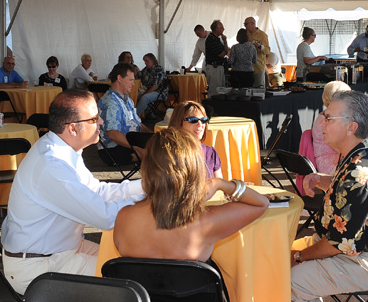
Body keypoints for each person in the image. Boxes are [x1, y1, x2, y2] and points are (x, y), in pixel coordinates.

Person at [1, 89, 144, 294]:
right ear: (73, 129)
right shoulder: (52, 164)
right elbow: (104, 216)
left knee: (131, 263)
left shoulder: (63, 149)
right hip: (39, 269)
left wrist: (147, 187)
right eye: (94, 118)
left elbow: (98, 191)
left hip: (57, 253)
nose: (101, 122)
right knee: (129, 281)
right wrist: (152, 202)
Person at [291, 90, 368, 301]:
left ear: (351, 127)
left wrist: (298, 257)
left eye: (328, 118)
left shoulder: (359, 173)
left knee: (282, 277)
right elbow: (345, 190)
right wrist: (320, 179)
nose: (321, 123)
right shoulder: (362, 152)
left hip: (365, 262)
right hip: (352, 251)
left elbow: (338, 242)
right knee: (274, 255)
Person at [113, 128, 268, 264]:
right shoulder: (206, 220)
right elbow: (261, 203)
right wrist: (221, 183)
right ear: (195, 168)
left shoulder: (124, 217)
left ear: (147, 167)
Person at [97, 63, 151, 165]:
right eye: (130, 80)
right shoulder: (111, 102)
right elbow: (113, 133)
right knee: (159, 154)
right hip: (113, 150)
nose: (133, 84)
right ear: (120, 78)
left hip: (130, 143)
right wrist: (136, 148)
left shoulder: (127, 99)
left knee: (163, 146)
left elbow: (137, 123)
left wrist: (153, 136)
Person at [168, 101, 222, 178]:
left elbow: (219, 185)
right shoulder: (169, 153)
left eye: (204, 120)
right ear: (178, 123)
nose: (200, 124)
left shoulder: (210, 153)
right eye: (193, 120)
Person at [311, 81, 350, 174]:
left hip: (334, 158)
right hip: (330, 162)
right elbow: (339, 147)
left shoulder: (329, 115)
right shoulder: (328, 119)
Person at [136, 53, 168, 119]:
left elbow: (155, 86)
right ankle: (148, 114)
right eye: (144, 61)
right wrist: (135, 68)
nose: (145, 63)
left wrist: (145, 93)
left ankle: (135, 118)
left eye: (147, 61)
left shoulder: (158, 69)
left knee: (145, 98)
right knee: (135, 95)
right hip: (148, 91)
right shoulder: (146, 69)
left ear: (152, 60)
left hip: (159, 92)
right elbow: (138, 76)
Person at [205, 20, 229, 98]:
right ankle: (211, 108)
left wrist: (225, 41)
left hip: (219, 67)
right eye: (222, 28)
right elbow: (222, 54)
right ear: (216, 29)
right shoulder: (212, 39)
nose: (223, 29)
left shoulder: (217, 39)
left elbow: (225, 51)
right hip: (214, 67)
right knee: (214, 91)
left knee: (220, 91)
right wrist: (225, 51)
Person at [244, 17, 270, 88]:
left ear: (253, 24)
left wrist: (260, 46)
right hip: (247, 67)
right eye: (244, 24)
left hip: (258, 67)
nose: (244, 26)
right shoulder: (245, 34)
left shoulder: (262, 35)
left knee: (259, 90)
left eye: (246, 24)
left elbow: (267, 50)